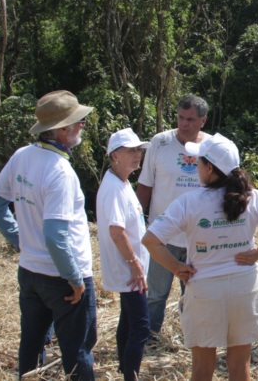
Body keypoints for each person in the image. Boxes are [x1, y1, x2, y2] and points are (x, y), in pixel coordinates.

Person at [142, 133, 258, 381]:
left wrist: (177, 267)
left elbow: (151, 240)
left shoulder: (188, 202)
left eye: (198, 162)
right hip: (245, 288)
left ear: (209, 168)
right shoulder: (253, 197)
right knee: (240, 367)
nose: (196, 166)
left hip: (204, 290)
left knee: (202, 369)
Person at [0, 91, 96, 380]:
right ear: (63, 130)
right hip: (61, 277)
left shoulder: (22, 156)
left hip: (30, 271)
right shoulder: (61, 172)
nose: (82, 125)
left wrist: (21, 241)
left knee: (32, 345)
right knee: (78, 352)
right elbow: (54, 235)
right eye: (78, 121)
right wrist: (74, 279)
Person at [137, 95, 212, 337]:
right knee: (156, 294)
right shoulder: (159, 143)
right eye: (180, 117)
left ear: (203, 121)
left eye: (190, 119)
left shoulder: (212, 147)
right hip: (163, 238)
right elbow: (145, 186)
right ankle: (149, 339)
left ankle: (193, 339)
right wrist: (140, 224)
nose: (183, 124)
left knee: (194, 294)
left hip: (198, 238)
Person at [96, 128, 152, 381]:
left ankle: (124, 369)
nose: (137, 154)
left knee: (128, 321)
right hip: (129, 270)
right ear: (114, 155)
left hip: (131, 267)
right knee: (141, 327)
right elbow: (117, 232)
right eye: (131, 150)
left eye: (139, 150)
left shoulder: (122, 182)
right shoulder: (113, 188)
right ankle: (130, 375)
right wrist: (134, 264)